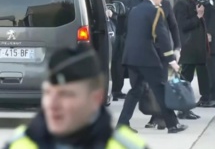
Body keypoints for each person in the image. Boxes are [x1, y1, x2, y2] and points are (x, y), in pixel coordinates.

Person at [5, 45, 150, 149]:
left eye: (66, 95)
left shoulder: (127, 145)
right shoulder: (18, 144)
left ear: (96, 99)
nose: (52, 104)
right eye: (48, 93)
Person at [117, 0, 188, 134]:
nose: (160, 2)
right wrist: (171, 60)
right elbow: (162, 37)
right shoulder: (156, 11)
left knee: (135, 91)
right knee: (160, 90)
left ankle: (122, 123)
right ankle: (173, 124)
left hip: (131, 56)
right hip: (147, 58)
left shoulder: (134, 10)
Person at [140, 0, 181, 129]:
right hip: (146, 52)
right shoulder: (139, 4)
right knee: (147, 86)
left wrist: (177, 47)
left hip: (162, 52)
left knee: (160, 84)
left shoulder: (166, 4)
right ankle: (155, 115)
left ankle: (159, 117)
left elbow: (173, 26)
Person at [174, 0, 210, 119]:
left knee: (189, 81)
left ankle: (186, 109)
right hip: (189, 48)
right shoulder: (181, 2)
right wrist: (198, 16)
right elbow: (182, 25)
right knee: (185, 81)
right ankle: (183, 110)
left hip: (195, 48)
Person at [195, 0, 215, 107]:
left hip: (209, 33)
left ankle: (211, 96)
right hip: (199, 34)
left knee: (211, 66)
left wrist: (210, 32)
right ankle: (207, 95)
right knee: (205, 66)